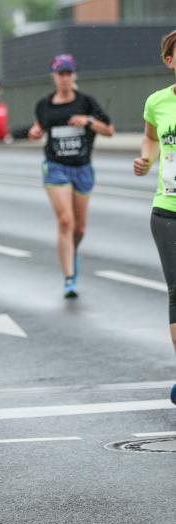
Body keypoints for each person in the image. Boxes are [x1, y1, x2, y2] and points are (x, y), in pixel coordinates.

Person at [28, 54, 114, 299]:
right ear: (54, 76)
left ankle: (71, 253)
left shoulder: (86, 102)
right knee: (66, 221)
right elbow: (40, 127)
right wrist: (36, 131)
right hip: (56, 167)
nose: (64, 78)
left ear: (74, 75)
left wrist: (87, 121)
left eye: (68, 73)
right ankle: (69, 278)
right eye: (60, 73)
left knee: (80, 227)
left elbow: (109, 130)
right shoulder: (44, 105)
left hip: (82, 167)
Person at [134, 29, 176, 404]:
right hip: (168, 210)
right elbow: (150, 138)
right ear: (170, 61)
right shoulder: (157, 102)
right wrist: (146, 159)